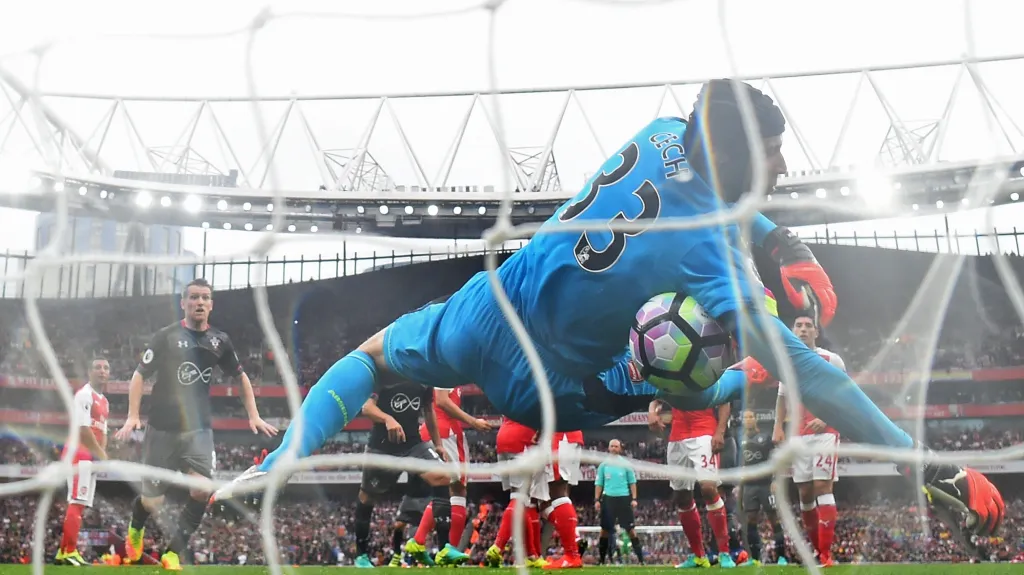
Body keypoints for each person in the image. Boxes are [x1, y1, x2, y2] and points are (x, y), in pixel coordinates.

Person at [212, 80, 1003, 542]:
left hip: (490, 304)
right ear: (734, 158)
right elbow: (810, 380)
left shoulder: (664, 131)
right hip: (550, 387)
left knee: (371, 358)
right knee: (685, 370)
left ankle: (283, 457)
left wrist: (779, 237)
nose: (784, 167)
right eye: (772, 157)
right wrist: (932, 461)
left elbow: (720, 202)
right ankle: (722, 382)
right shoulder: (710, 257)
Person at [114, 278, 278, 570]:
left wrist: (253, 415)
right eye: (193, 298)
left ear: (211, 305)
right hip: (162, 429)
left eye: (205, 298)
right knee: (152, 502)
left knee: (203, 490)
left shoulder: (220, 341)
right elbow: (139, 375)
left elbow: (240, 377)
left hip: (198, 430)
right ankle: (136, 526)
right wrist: (132, 415)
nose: (199, 302)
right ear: (183, 303)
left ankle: (173, 552)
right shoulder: (165, 336)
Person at [352, 380, 468, 568]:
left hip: (414, 444)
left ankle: (444, 547)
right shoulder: (385, 375)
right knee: (367, 497)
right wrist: (387, 419)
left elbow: (428, 411)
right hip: (382, 447)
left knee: (442, 476)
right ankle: (361, 555)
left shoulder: (424, 377)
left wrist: (438, 444)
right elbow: (367, 408)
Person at [772, 315, 843, 567]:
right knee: (804, 492)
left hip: (825, 432)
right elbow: (782, 397)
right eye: (798, 325)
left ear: (816, 332)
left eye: (808, 326)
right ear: (792, 331)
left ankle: (826, 555)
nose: (803, 329)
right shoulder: (787, 363)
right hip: (799, 434)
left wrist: (826, 418)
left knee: (822, 486)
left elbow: (844, 394)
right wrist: (778, 426)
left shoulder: (831, 359)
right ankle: (816, 551)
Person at [407, 387, 491, 558]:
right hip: (445, 432)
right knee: (458, 490)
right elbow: (442, 401)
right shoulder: (445, 368)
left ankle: (421, 541)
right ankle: (445, 548)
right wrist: (473, 421)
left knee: (445, 490)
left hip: (437, 431)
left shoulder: (445, 369)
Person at [649, 400, 734, 568]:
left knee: (709, 488)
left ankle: (724, 553)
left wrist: (720, 431)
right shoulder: (670, 374)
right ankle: (698, 556)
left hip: (704, 432)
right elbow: (657, 396)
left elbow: (725, 399)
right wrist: (652, 412)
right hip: (677, 437)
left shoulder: (710, 374)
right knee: (681, 496)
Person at [56, 357, 111, 566]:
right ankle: (69, 551)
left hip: (91, 456)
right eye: (97, 367)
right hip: (79, 453)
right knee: (77, 501)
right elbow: (83, 429)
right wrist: (100, 453)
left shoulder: (104, 401)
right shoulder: (83, 395)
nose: (102, 371)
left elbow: (102, 430)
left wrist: (101, 453)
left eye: (106, 368)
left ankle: (65, 552)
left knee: (81, 503)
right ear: (89, 372)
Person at [738, 410, 787, 567]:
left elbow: (775, 459)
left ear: (755, 419)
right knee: (751, 520)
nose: (748, 419)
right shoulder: (740, 439)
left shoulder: (765, 438)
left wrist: (775, 480)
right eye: (745, 417)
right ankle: (755, 559)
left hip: (766, 484)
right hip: (749, 486)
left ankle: (782, 557)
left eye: (751, 416)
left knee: (774, 518)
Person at [594, 439, 643, 565]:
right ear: (608, 448)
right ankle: (602, 560)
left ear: (620, 449)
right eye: (612, 446)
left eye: (616, 446)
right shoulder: (603, 465)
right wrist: (597, 500)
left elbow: (632, 483)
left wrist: (634, 499)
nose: (614, 448)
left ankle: (641, 560)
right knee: (604, 530)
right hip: (608, 499)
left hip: (624, 498)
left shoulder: (626, 464)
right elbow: (599, 484)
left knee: (630, 530)